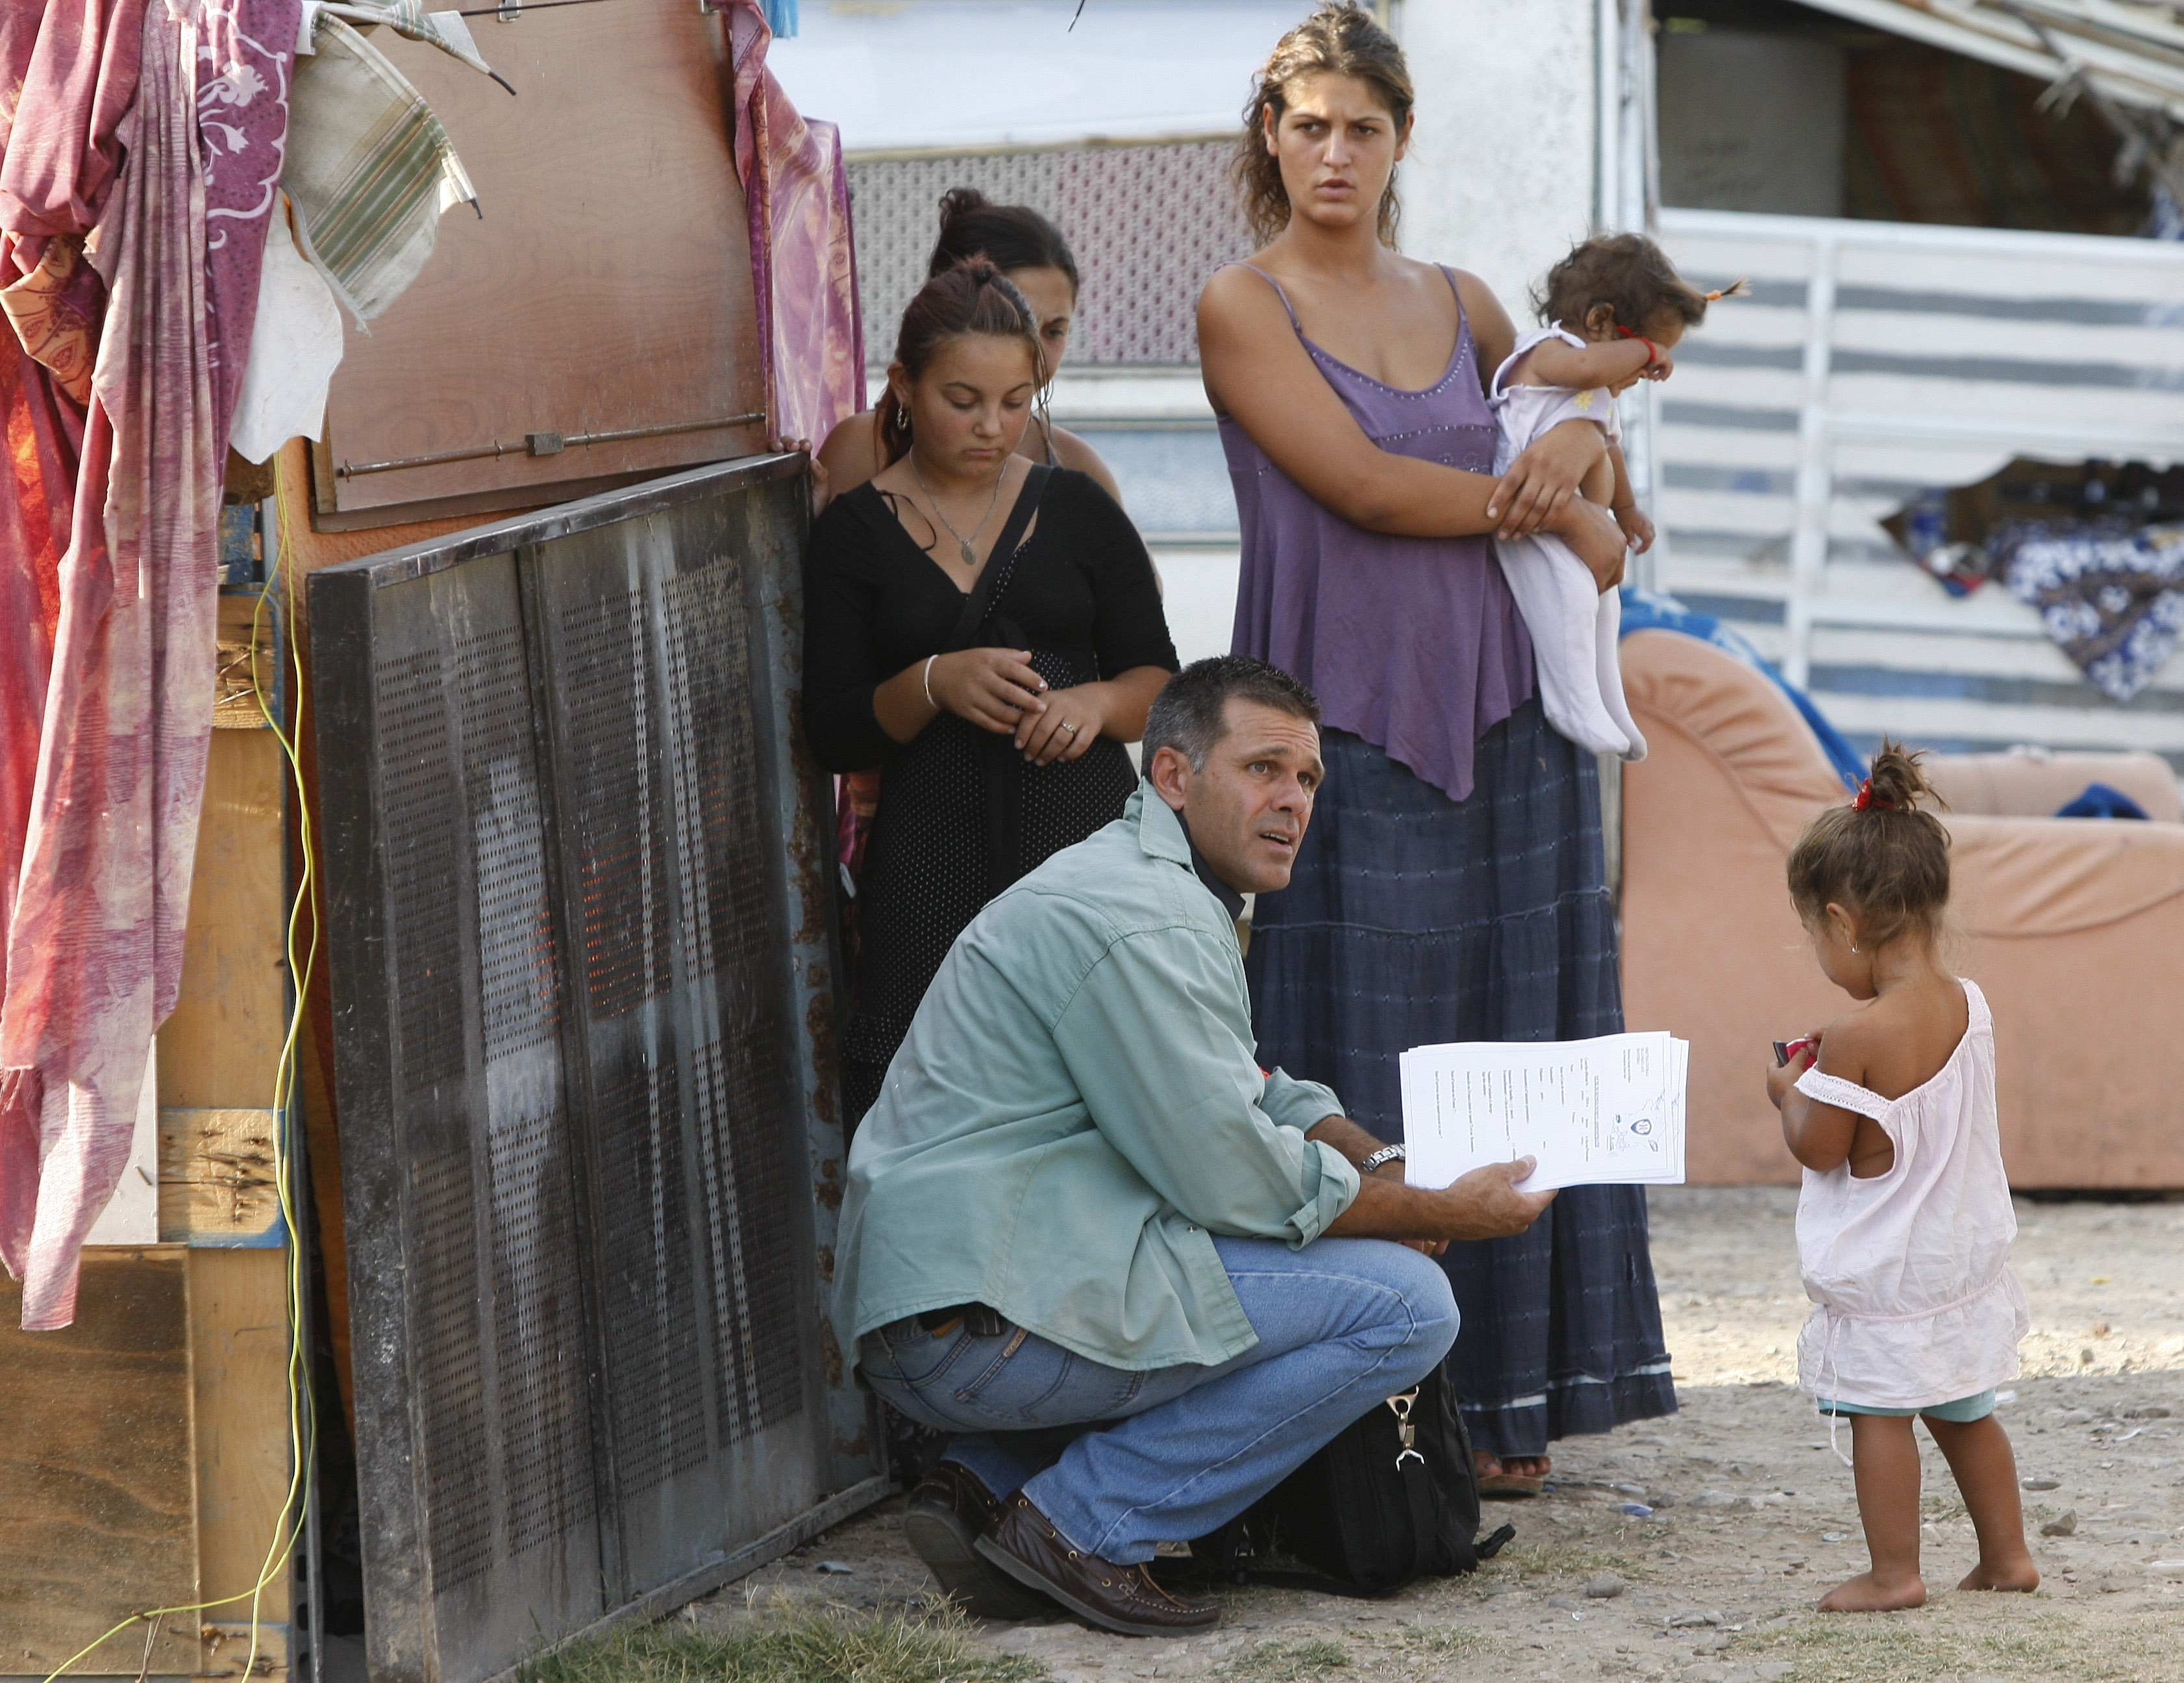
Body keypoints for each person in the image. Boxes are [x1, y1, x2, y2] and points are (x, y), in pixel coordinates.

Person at [1198, 1, 1675, 1497]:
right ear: (1269, 139)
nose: (1334, 152)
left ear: (1402, 139)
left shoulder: (1465, 298)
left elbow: (1572, 406)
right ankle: (1379, 1414)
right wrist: (1562, 497)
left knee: (1525, 1045)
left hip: (1510, 712)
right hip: (1341, 726)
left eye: (1362, 126)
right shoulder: (1238, 302)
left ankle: (1518, 1405)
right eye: (1308, 125)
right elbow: (1364, 490)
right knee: (1365, 1053)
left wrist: (1585, 452)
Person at [832, 656, 1557, 1637]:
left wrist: (1382, 1163)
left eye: (1306, 780)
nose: (1292, 801)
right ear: (1172, 776)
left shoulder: (1153, 884)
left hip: (968, 1307)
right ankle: (1082, 1523)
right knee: (1405, 1306)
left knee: (1245, 1269)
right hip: (974, 1331)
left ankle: (987, 1483)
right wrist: (1437, 1210)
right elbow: (1238, 1177)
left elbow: (1255, 1089)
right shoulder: (1146, 919)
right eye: (1263, 769)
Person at [801, 261, 1177, 1129]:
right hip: (932, 860)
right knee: (931, 1107)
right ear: (903, 386)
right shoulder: (855, 532)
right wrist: (936, 681)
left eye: (1016, 402)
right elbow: (835, 731)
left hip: (1084, 848)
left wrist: (1093, 706)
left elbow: (1160, 685)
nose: (993, 426)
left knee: (1109, 1092)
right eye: (963, 400)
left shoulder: (1076, 509)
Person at [1765, 743, 2037, 1613]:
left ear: (1843, 922)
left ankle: (1895, 1573)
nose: (1819, 953)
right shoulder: (1973, 1004)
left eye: (1814, 935)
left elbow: (1822, 1148)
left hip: (1889, 1272)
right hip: (1956, 1260)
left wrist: (1789, 1087)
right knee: (1966, 1410)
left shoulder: (1854, 1038)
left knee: (1880, 1412)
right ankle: (2008, 1556)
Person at [1489, 235, 1739, 758]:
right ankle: (1570, 703)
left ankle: (1608, 699)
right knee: (1571, 601)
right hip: (1528, 517)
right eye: (1644, 357)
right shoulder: (1550, 353)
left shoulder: (1599, 392)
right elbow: (1581, 374)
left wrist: (1626, 510)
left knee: (1606, 605)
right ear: (1600, 322)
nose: (1644, 374)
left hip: (1579, 525)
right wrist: (1646, 350)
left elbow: (1609, 449)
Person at [818, 188, 1123, 506]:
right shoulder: (861, 451)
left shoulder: (1076, 467)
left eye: (1055, 331)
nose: (1035, 353)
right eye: (1016, 323)